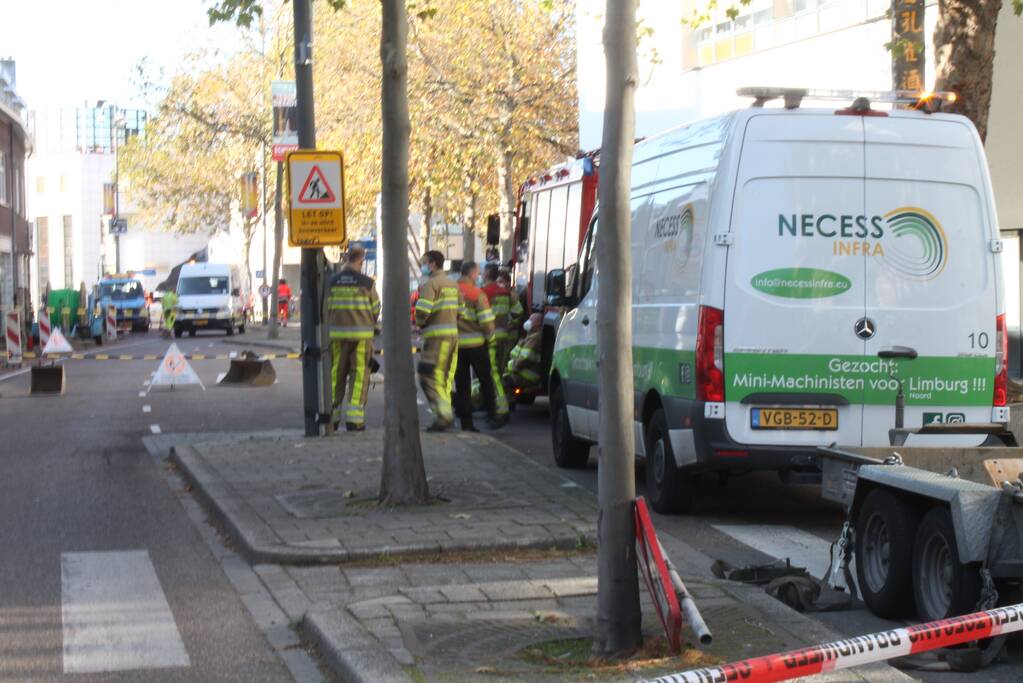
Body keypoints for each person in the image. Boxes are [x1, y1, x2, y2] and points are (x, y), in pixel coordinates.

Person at [327, 245, 380, 432]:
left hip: (337, 336)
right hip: (361, 337)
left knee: (335, 375)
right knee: (359, 376)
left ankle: (331, 418)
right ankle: (354, 420)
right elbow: (376, 309)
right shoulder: (367, 283)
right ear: (361, 260)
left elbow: (325, 309)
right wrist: (374, 327)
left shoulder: (332, 281)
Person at [455, 261, 508, 431]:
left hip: (456, 344)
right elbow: (486, 321)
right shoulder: (476, 293)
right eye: (477, 274)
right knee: (486, 381)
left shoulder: (449, 291)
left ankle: (466, 423)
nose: (478, 277)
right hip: (476, 345)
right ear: (472, 274)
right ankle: (493, 415)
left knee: (462, 385)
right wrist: (490, 338)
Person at [415, 250, 462, 432]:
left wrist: (420, 324)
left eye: (424, 262)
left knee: (428, 375)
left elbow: (422, 312)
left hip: (436, 338)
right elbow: (462, 310)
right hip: (452, 336)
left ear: (433, 263)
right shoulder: (453, 284)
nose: (423, 266)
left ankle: (444, 415)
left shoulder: (431, 284)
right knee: (442, 377)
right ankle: (442, 416)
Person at [481, 264, 524, 382]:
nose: (481, 274)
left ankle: (485, 397)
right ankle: (498, 396)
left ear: (487, 273)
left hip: (488, 337)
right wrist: (508, 325)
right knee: (498, 371)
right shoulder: (505, 292)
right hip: (503, 337)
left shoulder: (484, 292)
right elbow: (518, 311)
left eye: (483, 272)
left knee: (486, 371)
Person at [503, 312, 543, 396]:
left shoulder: (535, 339)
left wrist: (510, 365)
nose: (528, 321)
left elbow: (525, 359)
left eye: (531, 320)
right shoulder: (530, 337)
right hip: (520, 373)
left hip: (526, 377)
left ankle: (508, 403)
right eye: (529, 319)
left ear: (538, 323)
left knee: (501, 381)